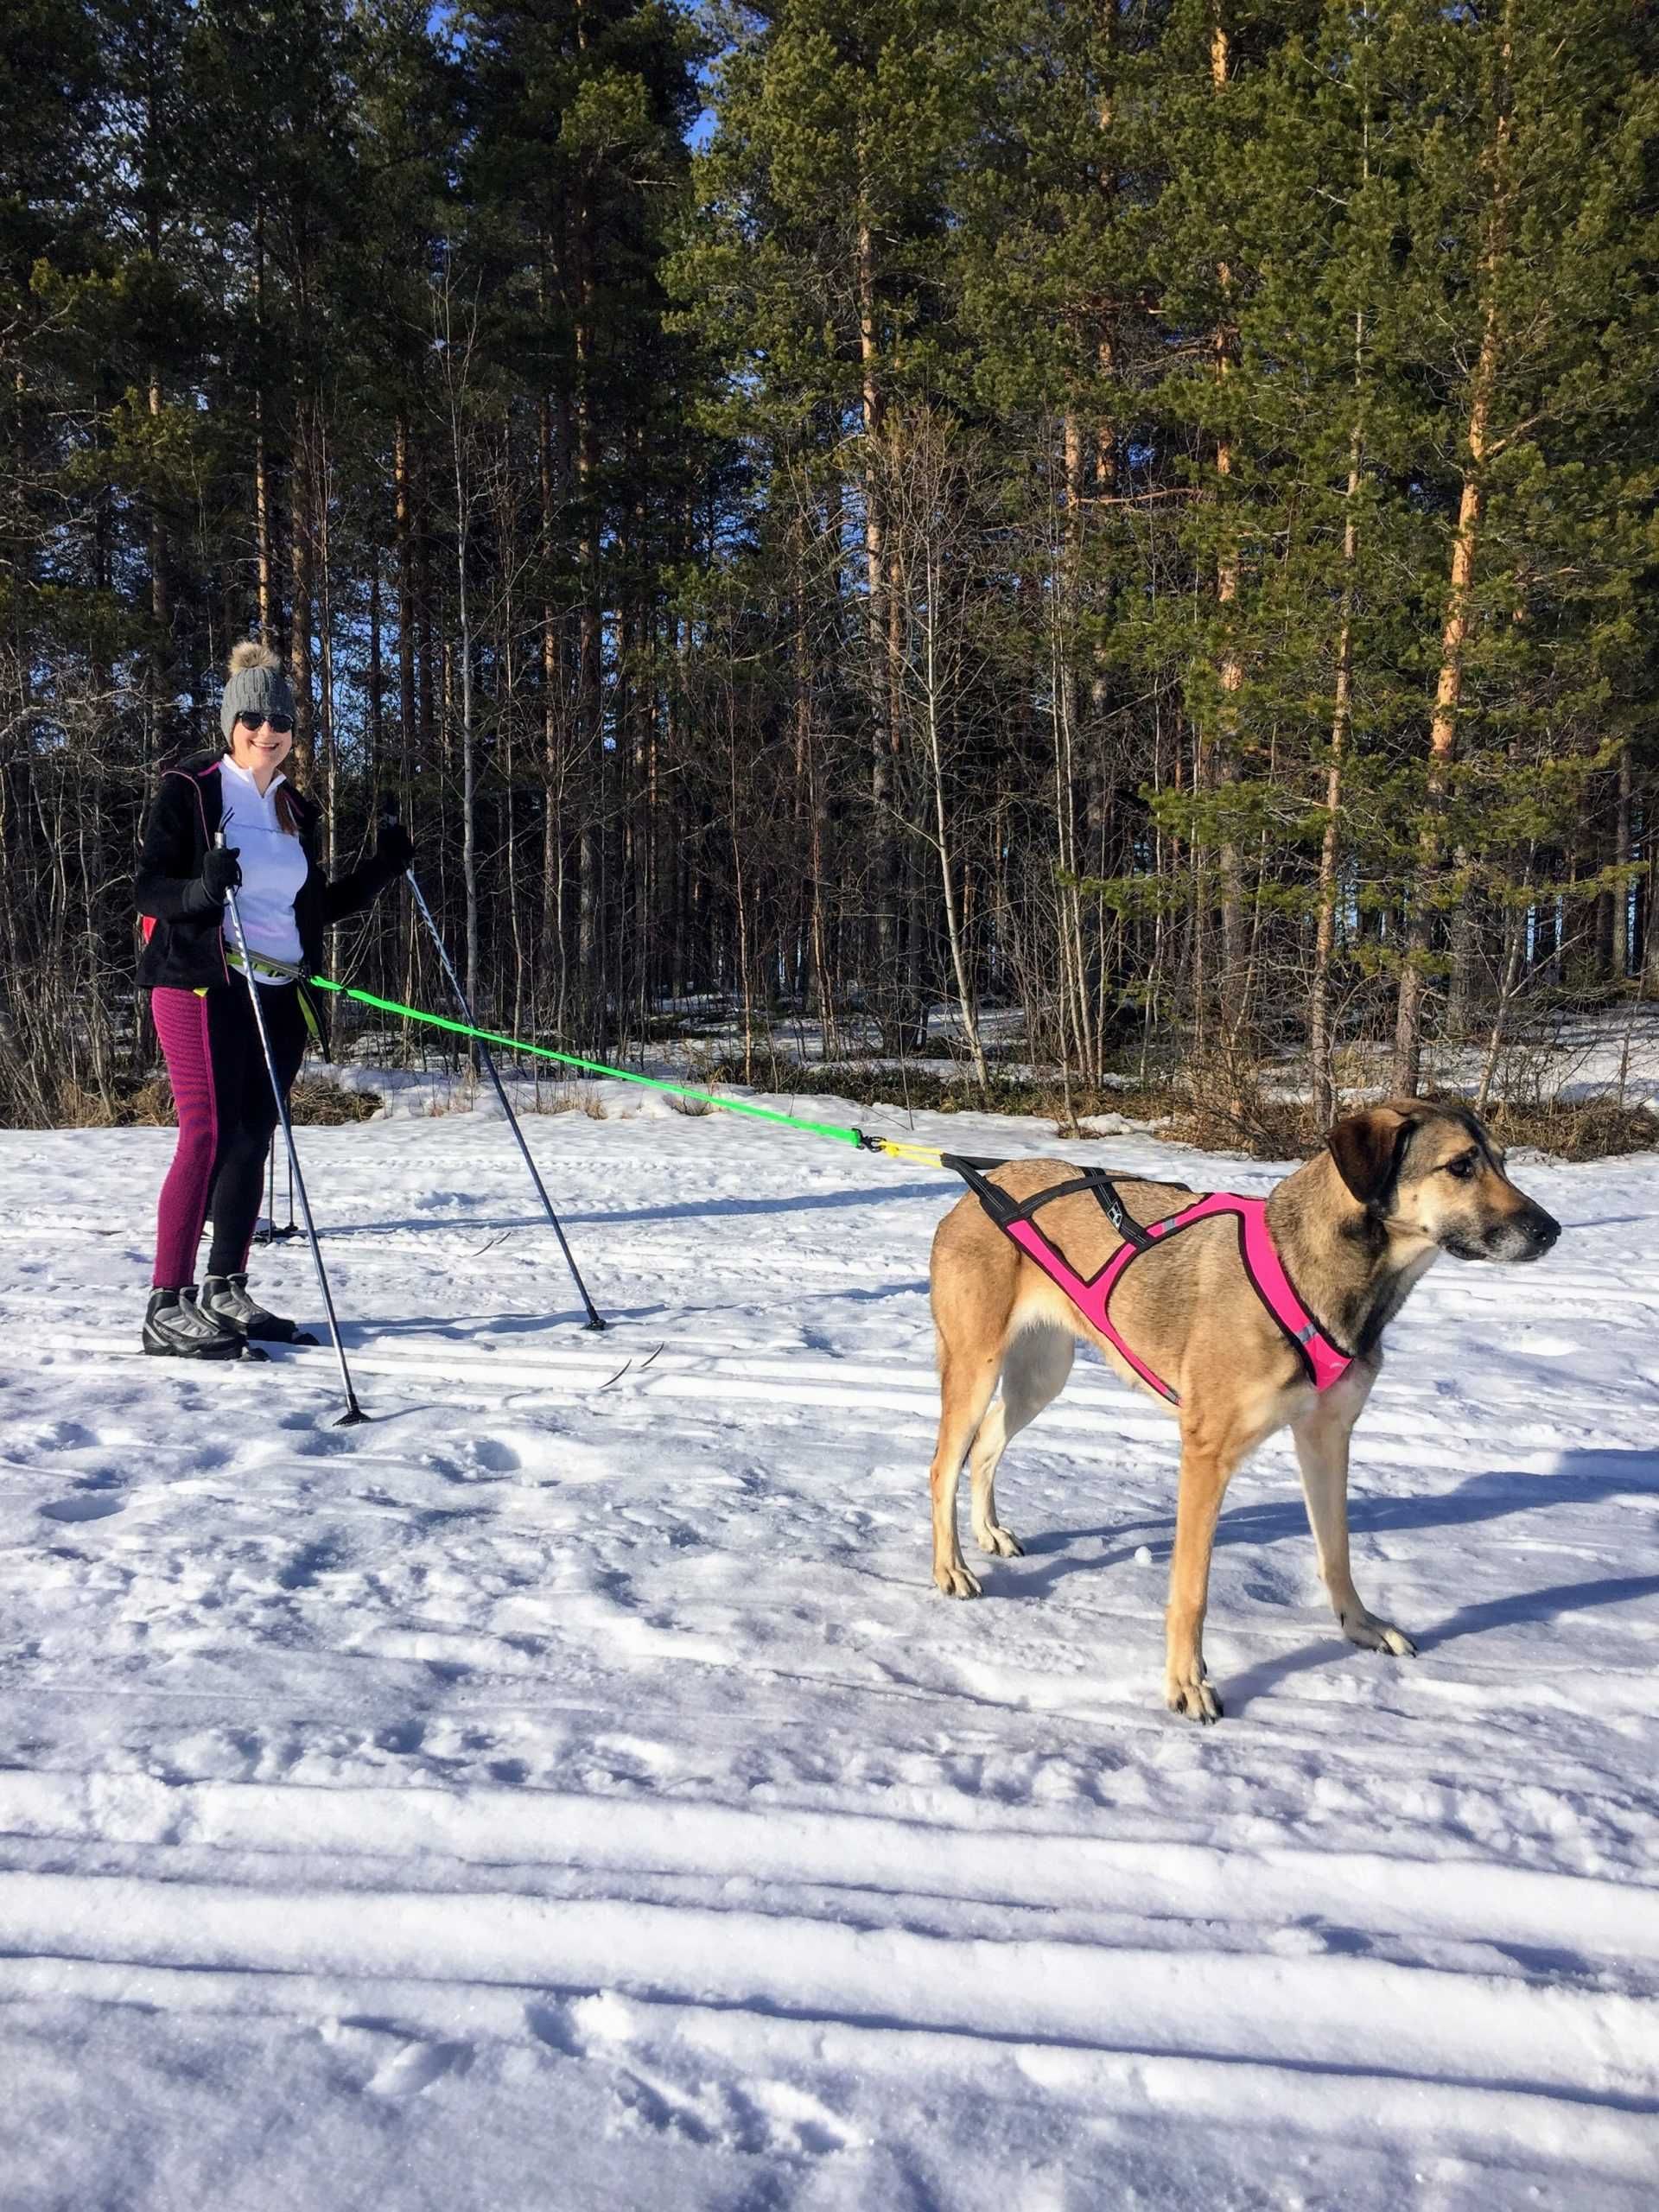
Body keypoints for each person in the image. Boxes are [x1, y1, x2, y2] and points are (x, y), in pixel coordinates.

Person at [135, 640, 412, 1357]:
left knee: (254, 1138)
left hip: (280, 992)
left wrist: (382, 870)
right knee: (205, 1132)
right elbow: (149, 889)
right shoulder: (192, 789)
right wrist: (199, 888)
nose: (267, 731)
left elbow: (312, 907)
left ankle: (225, 1286)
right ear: (231, 723)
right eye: (252, 718)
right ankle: (167, 1301)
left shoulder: (293, 808)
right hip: (203, 981)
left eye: (280, 720)